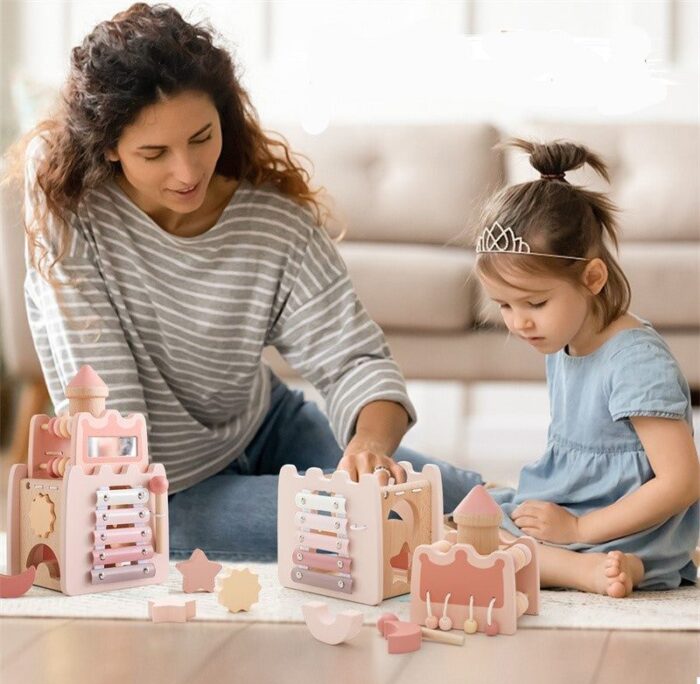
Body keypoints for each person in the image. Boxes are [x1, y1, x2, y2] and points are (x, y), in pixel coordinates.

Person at [6, 3, 480, 562]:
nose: (187, 173)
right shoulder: (70, 210)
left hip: (268, 424)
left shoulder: (273, 222)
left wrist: (369, 449)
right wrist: (121, 514)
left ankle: (583, 532)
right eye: (154, 153)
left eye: (201, 137)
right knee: (368, 526)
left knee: (463, 499)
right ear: (108, 146)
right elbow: (104, 399)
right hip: (163, 490)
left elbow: (355, 359)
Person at [474, 138, 699, 595]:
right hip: (578, 512)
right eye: (504, 305)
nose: (519, 323)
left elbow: (682, 482)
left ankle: (591, 568)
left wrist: (580, 530)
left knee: (477, 542)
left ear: (592, 278)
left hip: (623, 525)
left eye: (535, 302)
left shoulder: (636, 362)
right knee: (457, 523)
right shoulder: (564, 339)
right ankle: (621, 567)